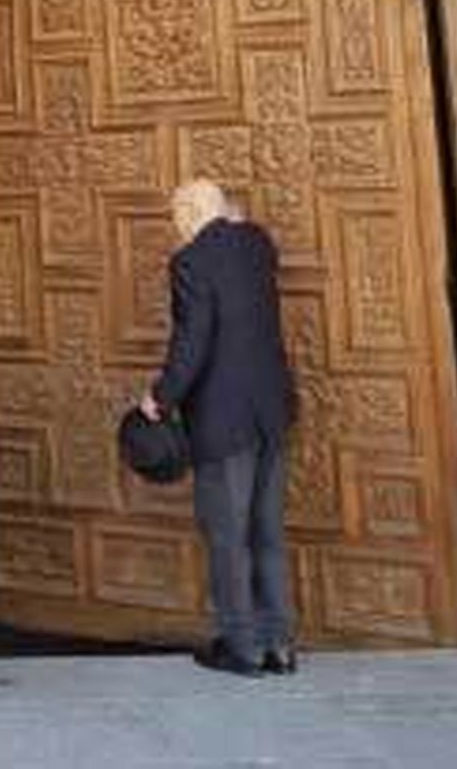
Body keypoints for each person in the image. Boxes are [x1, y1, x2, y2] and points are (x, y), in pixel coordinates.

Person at [141, 177, 297, 677]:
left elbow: (194, 340)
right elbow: (237, 223)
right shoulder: (257, 245)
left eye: (176, 214)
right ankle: (280, 646)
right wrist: (227, 214)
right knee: (267, 529)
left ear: (190, 211)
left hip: (224, 419)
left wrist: (160, 398)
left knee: (228, 533)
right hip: (272, 409)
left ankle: (242, 647)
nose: (175, 225)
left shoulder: (190, 262)